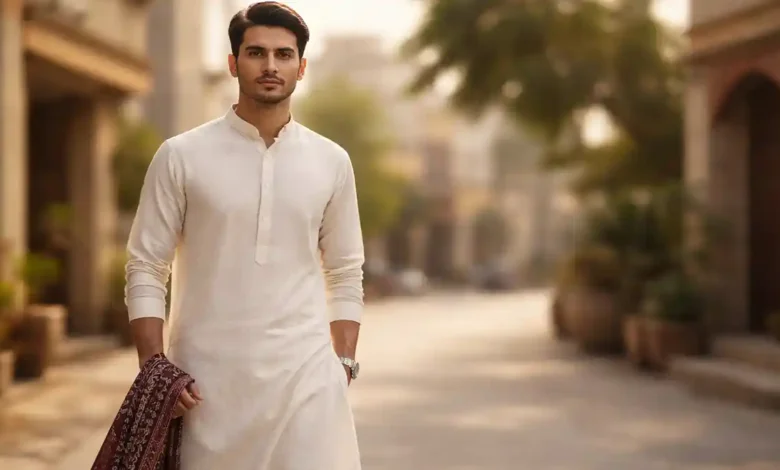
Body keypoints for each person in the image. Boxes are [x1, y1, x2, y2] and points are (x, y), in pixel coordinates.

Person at [124, 2, 364, 469]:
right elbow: (147, 266)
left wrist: (344, 365)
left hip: (307, 381)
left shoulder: (331, 161)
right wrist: (155, 373)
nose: (271, 66)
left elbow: (345, 269)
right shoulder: (182, 156)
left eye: (284, 54)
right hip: (206, 386)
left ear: (302, 66)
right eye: (256, 53)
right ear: (234, 63)